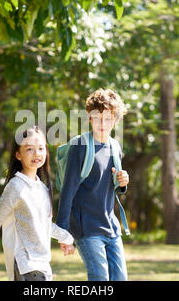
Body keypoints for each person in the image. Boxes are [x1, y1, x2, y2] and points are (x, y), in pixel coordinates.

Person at [0, 126, 75, 281]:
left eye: (41, 148)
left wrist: (66, 239)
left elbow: (44, 224)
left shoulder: (41, 187)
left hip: (42, 263)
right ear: (18, 155)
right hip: (25, 263)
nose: (36, 154)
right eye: (29, 149)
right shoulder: (16, 186)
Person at [56, 88, 130, 281]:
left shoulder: (115, 147)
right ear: (89, 118)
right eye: (97, 118)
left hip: (111, 226)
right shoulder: (80, 147)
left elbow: (112, 186)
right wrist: (62, 232)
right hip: (86, 228)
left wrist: (123, 183)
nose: (102, 123)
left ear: (116, 120)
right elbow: (67, 191)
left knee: (120, 278)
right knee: (100, 279)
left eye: (108, 118)